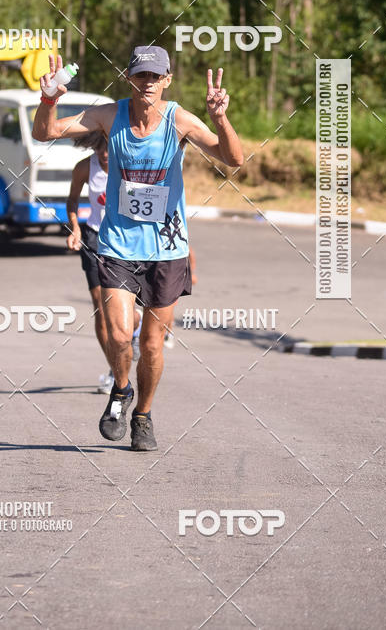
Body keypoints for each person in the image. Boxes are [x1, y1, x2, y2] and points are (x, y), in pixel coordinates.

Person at [33, 45, 243, 452]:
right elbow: (47, 131)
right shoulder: (110, 116)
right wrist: (48, 99)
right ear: (129, 78)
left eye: (155, 77)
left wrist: (220, 118)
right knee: (118, 333)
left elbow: (232, 159)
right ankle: (121, 389)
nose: (147, 83)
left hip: (167, 249)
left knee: (150, 344)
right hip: (117, 245)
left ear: (167, 80)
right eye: (140, 76)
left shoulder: (179, 119)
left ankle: (143, 415)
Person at [65, 131, 142, 393]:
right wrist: (74, 227)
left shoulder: (130, 165)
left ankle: (133, 335)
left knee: (129, 314)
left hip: (124, 240)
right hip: (94, 238)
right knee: (101, 307)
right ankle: (114, 371)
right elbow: (72, 200)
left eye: (109, 149)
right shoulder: (85, 167)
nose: (105, 155)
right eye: (100, 150)